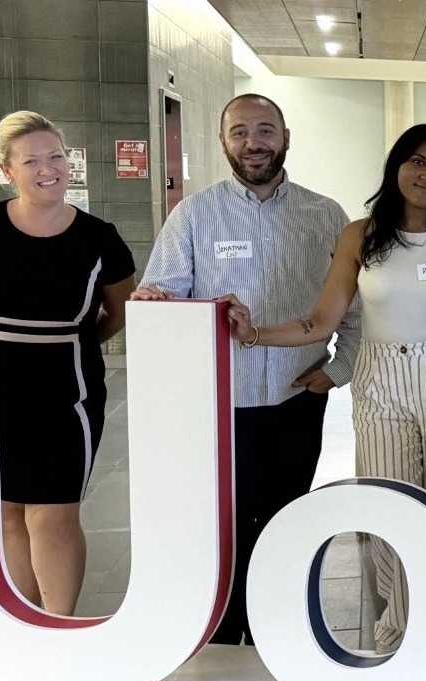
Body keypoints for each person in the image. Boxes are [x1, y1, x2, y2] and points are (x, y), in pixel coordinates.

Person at [227, 123, 426, 655]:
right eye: (418, 161)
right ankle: (398, 639)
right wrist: (255, 334)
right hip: (380, 380)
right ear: (397, 167)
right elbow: (323, 319)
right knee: (388, 506)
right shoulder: (360, 235)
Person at [134, 93, 360, 647]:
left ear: (286, 137)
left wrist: (339, 369)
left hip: (296, 399)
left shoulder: (325, 214)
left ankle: (276, 636)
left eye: (265, 131)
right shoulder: (193, 214)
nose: (252, 143)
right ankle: (222, 640)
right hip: (221, 406)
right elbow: (164, 291)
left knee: (285, 523)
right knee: (225, 530)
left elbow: (356, 307)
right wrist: (154, 301)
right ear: (222, 141)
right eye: (239, 132)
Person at [0, 110, 136, 616]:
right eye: (32, 161)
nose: (48, 169)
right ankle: (27, 620)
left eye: (57, 157)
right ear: (8, 171)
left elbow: (121, 309)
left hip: (67, 393)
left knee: (54, 514)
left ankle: (59, 625)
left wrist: (77, 341)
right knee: (7, 512)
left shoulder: (99, 236)